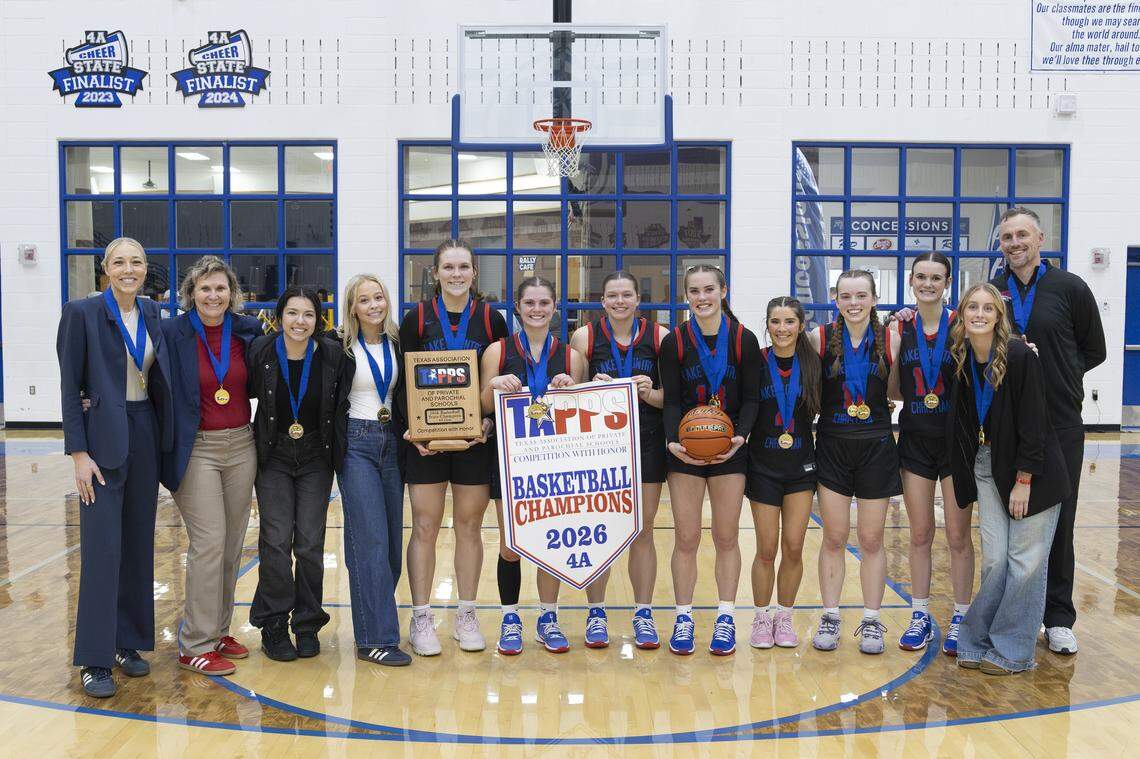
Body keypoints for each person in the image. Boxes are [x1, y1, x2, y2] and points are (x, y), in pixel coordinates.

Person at [57, 237, 174, 698]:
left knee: (138, 545)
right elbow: (70, 388)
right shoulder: (81, 313)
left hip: (143, 432)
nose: (129, 269)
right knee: (103, 550)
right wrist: (78, 454)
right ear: (105, 268)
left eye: (137, 262)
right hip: (101, 440)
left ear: (146, 269)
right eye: (119, 262)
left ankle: (128, 642)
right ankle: (94, 658)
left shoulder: (151, 313)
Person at [990, 207, 1105, 655]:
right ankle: (1011, 613)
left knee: (1061, 521)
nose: (1014, 243)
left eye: (1022, 235)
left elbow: (1094, 348)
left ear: (1040, 238)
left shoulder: (1070, 288)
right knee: (1007, 529)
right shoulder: (993, 291)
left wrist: (1058, 370)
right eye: (1007, 237)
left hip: (1059, 422)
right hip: (1006, 425)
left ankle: (1058, 616)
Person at [947, 283, 1069, 675]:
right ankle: (978, 639)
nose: (980, 314)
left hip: (1032, 471)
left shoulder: (1018, 356)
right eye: (973, 308)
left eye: (988, 308)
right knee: (996, 560)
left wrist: (1025, 479)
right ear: (962, 315)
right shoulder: (962, 357)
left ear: (999, 316)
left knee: (1025, 562)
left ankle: (1014, 650)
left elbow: (1036, 423)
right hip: (988, 465)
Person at [399, 239, 504, 656]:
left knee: (469, 527)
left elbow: (502, 375)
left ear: (474, 272)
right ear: (436, 273)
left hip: (475, 440)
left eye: (464, 267)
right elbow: (404, 383)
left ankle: (466, 613)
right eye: (448, 267)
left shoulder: (492, 319)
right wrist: (414, 431)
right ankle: (421, 615)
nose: (456, 274)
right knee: (424, 526)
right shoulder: (417, 318)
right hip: (426, 442)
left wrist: (490, 422)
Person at [161, 255, 263, 676]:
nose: (213, 295)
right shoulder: (172, 333)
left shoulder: (246, 331)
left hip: (242, 444)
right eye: (205, 288)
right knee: (209, 542)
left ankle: (219, 630)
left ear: (232, 294)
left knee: (233, 541)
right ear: (191, 294)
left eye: (220, 288)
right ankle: (194, 644)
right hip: (196, 449)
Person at [480, 276, 586, 654]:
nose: (537, 310)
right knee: (511, 545)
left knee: (549, 544)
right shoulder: (498, 350)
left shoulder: (571, 356)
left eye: (544, 303)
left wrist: (570, 387)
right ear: (518, 307)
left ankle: (548, 617)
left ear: (555, 307)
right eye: (530, 303)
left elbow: (584, 410)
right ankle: (510, 617)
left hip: (556, 464)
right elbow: (481, 404)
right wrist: (495, 385)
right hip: (509, 461)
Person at [659, 264, 760, 656]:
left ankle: (725, 617)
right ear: (686, 296)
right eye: (694, 291)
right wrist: (673, 441)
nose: (702, 298)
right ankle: (683, 618)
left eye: (708, 290)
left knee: (726, 536)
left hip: (730, 447)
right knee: (685, 537)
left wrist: (740, 437)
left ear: (723, 291)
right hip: (686, 449)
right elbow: (671, 400)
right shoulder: (676, 341)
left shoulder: (743, 339)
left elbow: (751, 397)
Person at [569, 271, 669, 649]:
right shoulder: (585, 337)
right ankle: (596, 612)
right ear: (603, 301)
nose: (620, 301)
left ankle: (643, 612)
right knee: (602, 530)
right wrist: (588, 389)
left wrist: (650, 393)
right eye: (613, 295)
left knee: (642, 529)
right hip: (600, 448)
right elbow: (570, 395)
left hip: (645, 440)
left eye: (627, 294)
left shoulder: (659, 337)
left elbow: (668, 398)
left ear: (639, 299)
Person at [807, 269, 901, 655]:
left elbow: (899, 389)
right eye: (846, 296)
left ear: (874, 299)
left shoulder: (893, 338)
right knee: (833, 536)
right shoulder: (819, 338)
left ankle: (872, 620)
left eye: (861, 295)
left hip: (877, 444)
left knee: (872, 539)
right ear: (836, 300)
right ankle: (830, 615)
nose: (854, 303)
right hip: (832, 443)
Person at [247, 287, 343, 661]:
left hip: (316, 457)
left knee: (309, 544)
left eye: (307, 314)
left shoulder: (332, 354)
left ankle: (306, 623)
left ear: (318, 319)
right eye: (292, 313)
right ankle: (273, 624)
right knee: (274, 541)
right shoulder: (262, 351)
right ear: (279, 315)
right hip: (274, 455)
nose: (299, 321)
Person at [888, 253, 973, 655]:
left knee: (958, 536)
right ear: (911, 281)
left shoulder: (964, 324)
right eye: (921, 276)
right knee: (920, 534)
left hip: (956, 442)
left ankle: (961, 616)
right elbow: (892, 389)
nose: (927, 283)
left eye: (935, 277)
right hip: (915, 439)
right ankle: (919, 614)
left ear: (948, 282)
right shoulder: (899, 326)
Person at [335, 274, 411, 666]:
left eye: (379, 297)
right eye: (364, 300)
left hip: (392, 443)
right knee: (370, 543)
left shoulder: (400, 343)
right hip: (357, 445)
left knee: (391, 547)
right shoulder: (339, 347)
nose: (374, 305)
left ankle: (373, 618)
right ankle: (376, 638)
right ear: (353, 308)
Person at [747, 297, 821, 650]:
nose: (782, 328)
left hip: (801, 467)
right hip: (762, 465)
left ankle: (784, 616)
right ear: (767, 324)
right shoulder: (757, 362)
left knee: (793, 547)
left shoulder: (813, 363)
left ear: (801, 325)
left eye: (789, 321)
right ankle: (761, 617)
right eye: (775, 321)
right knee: (765, 548)